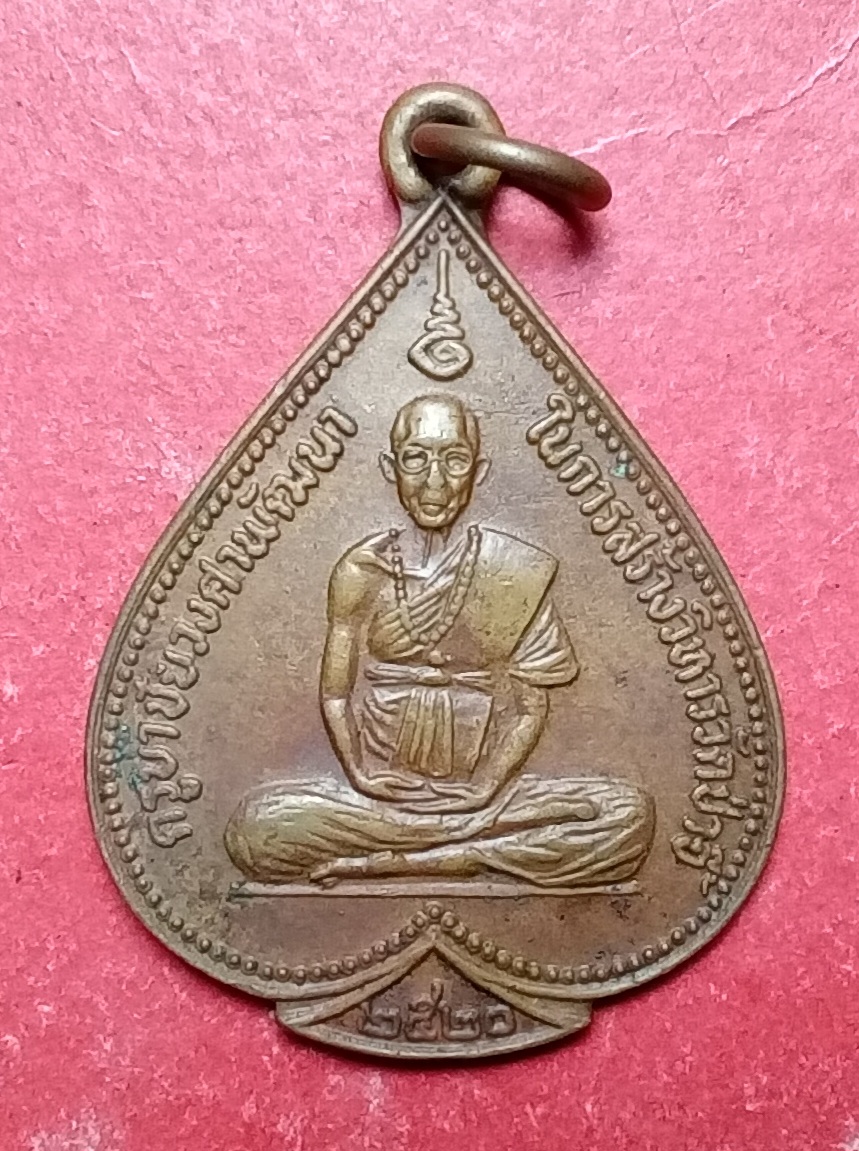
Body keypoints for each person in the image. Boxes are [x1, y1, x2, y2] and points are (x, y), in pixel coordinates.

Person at [225, 394, 654, 888]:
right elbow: (336, 693)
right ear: (390, 468)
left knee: (628, 815)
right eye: (416, 458)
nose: (435, 482)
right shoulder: (362, 570)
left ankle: (413, 858)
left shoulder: (514, 571)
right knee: (257, 829)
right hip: (375, 798)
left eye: (454, 461)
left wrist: (485, 789)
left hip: (486, 794)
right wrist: (359, 774)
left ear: (479, 472)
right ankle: (462, 846)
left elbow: (530, 709)